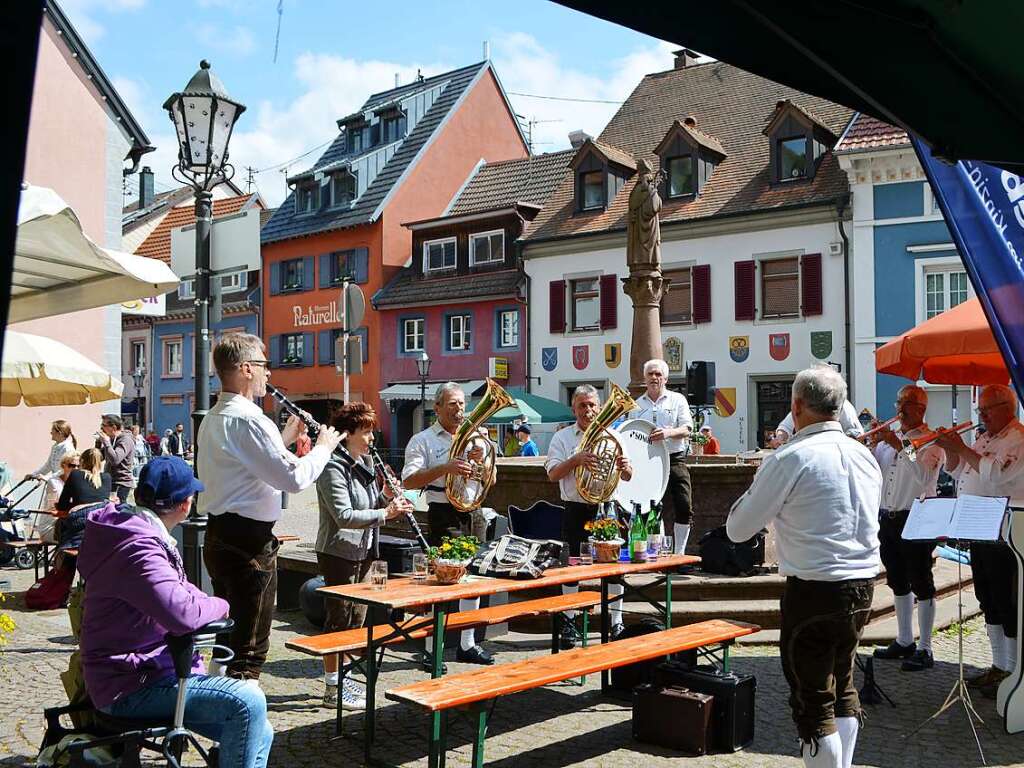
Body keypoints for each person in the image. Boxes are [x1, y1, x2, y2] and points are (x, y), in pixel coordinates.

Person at [727, 366, 881, 768]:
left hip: (814, 589)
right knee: (843, 684)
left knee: (813, 703)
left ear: (796, 406)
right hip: (862, 585)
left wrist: (760, 481)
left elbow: (739, 529)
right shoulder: (864, 454)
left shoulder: (791, 456)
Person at [78, 456, 273, 768]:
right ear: (186, 504)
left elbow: (181, 593)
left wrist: (202, 604)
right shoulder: (139, 548)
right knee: (248, 701)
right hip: (129, 685)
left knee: (260, 730)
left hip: (140, 673)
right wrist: (222, 604)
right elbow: (182, 613)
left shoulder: (131, 532)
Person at [198, 333, 342, 682]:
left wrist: (284, 440)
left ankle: (212, 701)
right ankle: (238, 724)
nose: (268, 375)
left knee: (226, 637)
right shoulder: (251, 419)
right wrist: (324, 446)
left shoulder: (214, 417)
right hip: (248, 543)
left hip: (219, 534)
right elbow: (293, 479)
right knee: (249, 646)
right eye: (264, 366)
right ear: (246, 369)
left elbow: (244, 465)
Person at [315, 403, 413, 710]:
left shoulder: (366, 461)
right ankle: (332, 688)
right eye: (367, 431)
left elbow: (368, 503)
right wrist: (386, 512)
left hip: (366, 550)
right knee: (338, 620)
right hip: (339, 551)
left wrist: (386, 495)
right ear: (349, 433)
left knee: (357, 618)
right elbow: (344, 514)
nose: (373, 437)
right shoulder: (333, 466)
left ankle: (346, 682)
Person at [936, 383, 1023, 698]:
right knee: (987, 600)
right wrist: (950, 449)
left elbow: (997, 477)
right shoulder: (986, 438)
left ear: (1005, 407)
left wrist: (963, 449)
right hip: (978, 529)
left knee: (1007, 602)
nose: (981, 415)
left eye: (986, 409)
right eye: (981, 410)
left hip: (1006, 533)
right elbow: (957, 472)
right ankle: (999, 665)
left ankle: (1014, 670)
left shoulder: (1018, 438)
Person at [402, 382, 495, 665]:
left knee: (471, 580)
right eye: (453, 404)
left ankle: (467, 644)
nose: (460, 410)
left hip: (474, 511)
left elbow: (492, 481)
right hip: (443, 511)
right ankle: (433, 646)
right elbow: (409, 480)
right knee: (442, 581)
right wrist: (446, 467)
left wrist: (483, 463)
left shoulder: (478, 438)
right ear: (438, 407)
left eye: (462, 404)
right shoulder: (423, 440)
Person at [546, 384, 633, 648]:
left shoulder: (615, 436)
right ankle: (570, 622)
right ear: (574, 408)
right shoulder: (562, 438)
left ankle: (616, 622)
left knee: (615, 569)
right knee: (572, 568)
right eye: (583, 405)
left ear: (600, 407)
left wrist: (626, 468)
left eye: (593, 405)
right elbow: (551, 474)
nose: (589, 410)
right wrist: (576, 460)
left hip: (607, 508)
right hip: (576, 509)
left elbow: (628, 476)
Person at [870, 385, 944, 672]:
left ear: (921, 408)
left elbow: (924, 475)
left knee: (921, 580)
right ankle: (904, 640)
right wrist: (872, 445)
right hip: (888, 517)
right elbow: (876, 473)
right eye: (898, 401)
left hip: (918, 516)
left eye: (906, 403)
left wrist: (901, 447)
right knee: (897, 580)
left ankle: (925, 647)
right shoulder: (893, 439)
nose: (899, 408)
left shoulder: (931, 441)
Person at [627, 359, 694, 553]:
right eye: (650, 374)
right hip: (647, 463)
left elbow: (688, 428)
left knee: (684, 504)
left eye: (658, 374)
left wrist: (669, 433)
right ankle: (655, 552)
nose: (654, 378)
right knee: (651, 508)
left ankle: (679, 553)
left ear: (665, 378)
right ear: (645, 378)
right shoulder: (636, 405)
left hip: (674, 458)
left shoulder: (677, 399)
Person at [26, 419, 78, 510]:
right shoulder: (55, 446)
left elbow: (65, 470)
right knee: (49, 510)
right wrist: (33, 474)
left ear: (60, 433)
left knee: (53, 511)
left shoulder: (68, 448)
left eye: (52, 430)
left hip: (62, 486)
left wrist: (46, 478)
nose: (51, 432)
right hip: (53, 484)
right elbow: (48, 465)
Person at [775, 399, 864, 445]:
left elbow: (855, 432)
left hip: (839, 452)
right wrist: (781, 437)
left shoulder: (842, 404)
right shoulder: (806, 403)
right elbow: (785, 427)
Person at [56, 448, 112, 512]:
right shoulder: (107, 477)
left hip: (80, 517)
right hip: (100, 518)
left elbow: (62, 505)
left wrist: (76, 505)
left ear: (82, 461)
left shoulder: (75, 474)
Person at [95, 414, 135, 503]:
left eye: (104, 426)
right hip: (110, 481)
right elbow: (98, 458)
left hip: (121, 484)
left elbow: (115, 460)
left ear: (113, 427)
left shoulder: (125, 440)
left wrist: (106, 443)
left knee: (118, 512)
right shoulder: (111, 440)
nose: (101, 429)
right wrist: (98, 443)